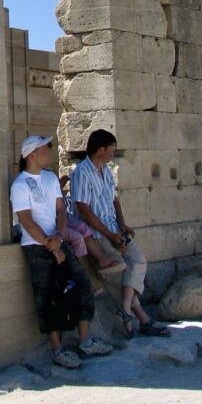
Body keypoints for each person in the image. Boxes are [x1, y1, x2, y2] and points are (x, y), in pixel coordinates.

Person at [10, 135, 113, 369]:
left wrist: (58, 236)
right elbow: (26, 221)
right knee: (48, 297)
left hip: (56, 239)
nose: (49, 150)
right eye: (44, 148)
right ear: (31, 155)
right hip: (36, 246)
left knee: (82, 285)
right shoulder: (20, 185)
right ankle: (57, 350)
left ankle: (85, 341)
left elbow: (60, 210)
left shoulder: (49, 178)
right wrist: (50, 244)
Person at [70, 129, 170, 339]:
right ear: (100, 149)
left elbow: (114, 199)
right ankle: (142, 318)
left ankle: (125, 307)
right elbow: (84, 210)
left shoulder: (106, 170)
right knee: (117, 273)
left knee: (138, 260)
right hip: (99, 234)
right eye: (111, 150)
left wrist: (122, 225)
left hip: (114, 228)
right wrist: (109, 235)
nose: (113, 154)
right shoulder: (81, 173)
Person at [58, 172, 124, 275]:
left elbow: (59, 203)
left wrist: (59, 189)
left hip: (63, 216)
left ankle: (101, 259)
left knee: (82, 227)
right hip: (52, 221)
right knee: (77, 238)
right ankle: (77, 275)